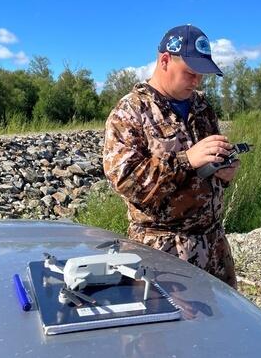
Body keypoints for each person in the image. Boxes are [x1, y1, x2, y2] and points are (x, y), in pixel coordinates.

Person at [102, 24, 240, 288]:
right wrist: (187, 159)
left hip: (214, 245)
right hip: (163, 251)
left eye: (201, 75)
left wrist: (225, 172)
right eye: (190, 73)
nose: (197, 81)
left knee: (223, 325)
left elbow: (209, 161)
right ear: (165, 60)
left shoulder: (202, 107)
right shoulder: (130, 111)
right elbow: (126, 181)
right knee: (170, 328)